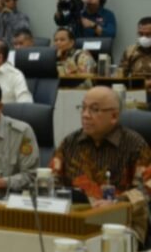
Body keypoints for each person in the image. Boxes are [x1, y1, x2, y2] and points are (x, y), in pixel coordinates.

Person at [51, 87, 151, 239]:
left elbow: (147, 188)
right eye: (83, 108)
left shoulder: (134, 145)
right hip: (77, 219)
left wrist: (118, 202)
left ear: (114, 116)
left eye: (94, 109)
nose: (85, 115)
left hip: (122, 223)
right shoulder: (70, 142)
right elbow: (52, 179)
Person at [118, 17, 151, 97]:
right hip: (136, 91)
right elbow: (122, 74)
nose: (144, 37)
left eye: (148, 34)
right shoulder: (130, 51)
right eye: (141, 34)